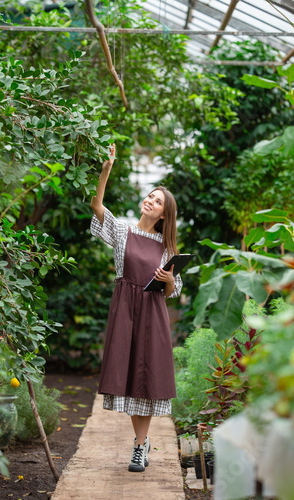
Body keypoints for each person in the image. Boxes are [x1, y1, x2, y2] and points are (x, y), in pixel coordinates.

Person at [90, 144, 182, 473]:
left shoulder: (167, 248)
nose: (150, 201)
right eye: (151, 196)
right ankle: (140, 443)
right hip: (126, 312)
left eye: (157, 201)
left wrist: (167, 279)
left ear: (163, 215)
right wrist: (106, 169)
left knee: (146, 382)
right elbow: (97, 205)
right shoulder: (123, 231)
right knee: (129, 379)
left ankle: (140, 447)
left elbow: (174, 290)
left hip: (153, 314)